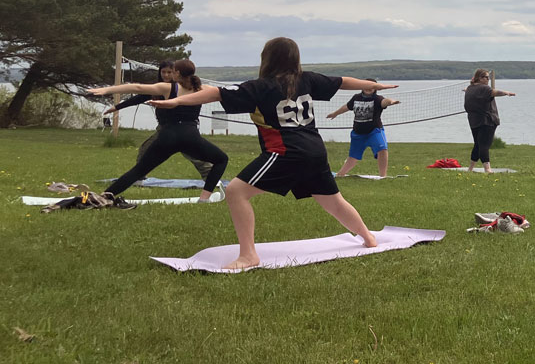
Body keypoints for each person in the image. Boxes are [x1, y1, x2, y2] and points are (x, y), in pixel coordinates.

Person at [150, 37, 398, 270]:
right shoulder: (307, 79)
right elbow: (342, 81)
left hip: (285, 151)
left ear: (266, 59)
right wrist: (373, 86)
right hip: (314, 149)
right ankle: (368, 238)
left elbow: (216, 94)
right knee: (332, 201)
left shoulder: (261, 87)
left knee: (236, 192)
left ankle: (248, 255)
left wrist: (175, 102)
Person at [88, 60, 229, 203]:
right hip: (190, 136)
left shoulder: (168, 88)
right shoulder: (202, 89)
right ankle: (204, 198)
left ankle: (105, 196)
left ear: (177, 73)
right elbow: (229, 93)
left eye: (172, 71)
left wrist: (107, 90)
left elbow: (137, 87)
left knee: (139, 170)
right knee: (221, 159)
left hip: (168, 136)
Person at [105, 60, 214, 182]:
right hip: (164, 128)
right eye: (163, 72)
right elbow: (139, 96)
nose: (166, 75)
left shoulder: (180, 87)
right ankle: (138, 176)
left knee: (194, 154)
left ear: (176, 73)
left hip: (183, 129)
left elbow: (214, 94)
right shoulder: (160, 87)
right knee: (145, 150)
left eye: (169, 72)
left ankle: (210, 176)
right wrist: (116, 107)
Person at [326, 80, 401, 177]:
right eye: (367, 85)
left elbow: (385, 102)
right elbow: (347, 107)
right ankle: (341, 174)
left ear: (376, 88)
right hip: (358, 133)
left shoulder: (378, 99)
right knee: (353, 156)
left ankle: (383, 176)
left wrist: (391, 101)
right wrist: (335, 113)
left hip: (374, 131)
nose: (369, 88)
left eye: (372, 86)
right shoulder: (356, 98)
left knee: (382, 149)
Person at [463, 69, 515, 173]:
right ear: (479, 78)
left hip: (474, 121)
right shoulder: (484, 88)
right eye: (486, 77)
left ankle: (470, 169)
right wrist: (506, 92)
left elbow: (471, 91)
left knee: (478, 144)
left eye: (488, 77)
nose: (488, 79)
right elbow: (495, 92)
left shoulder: (470, 88)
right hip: (487, 121)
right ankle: (488, 170)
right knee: (484, 145)